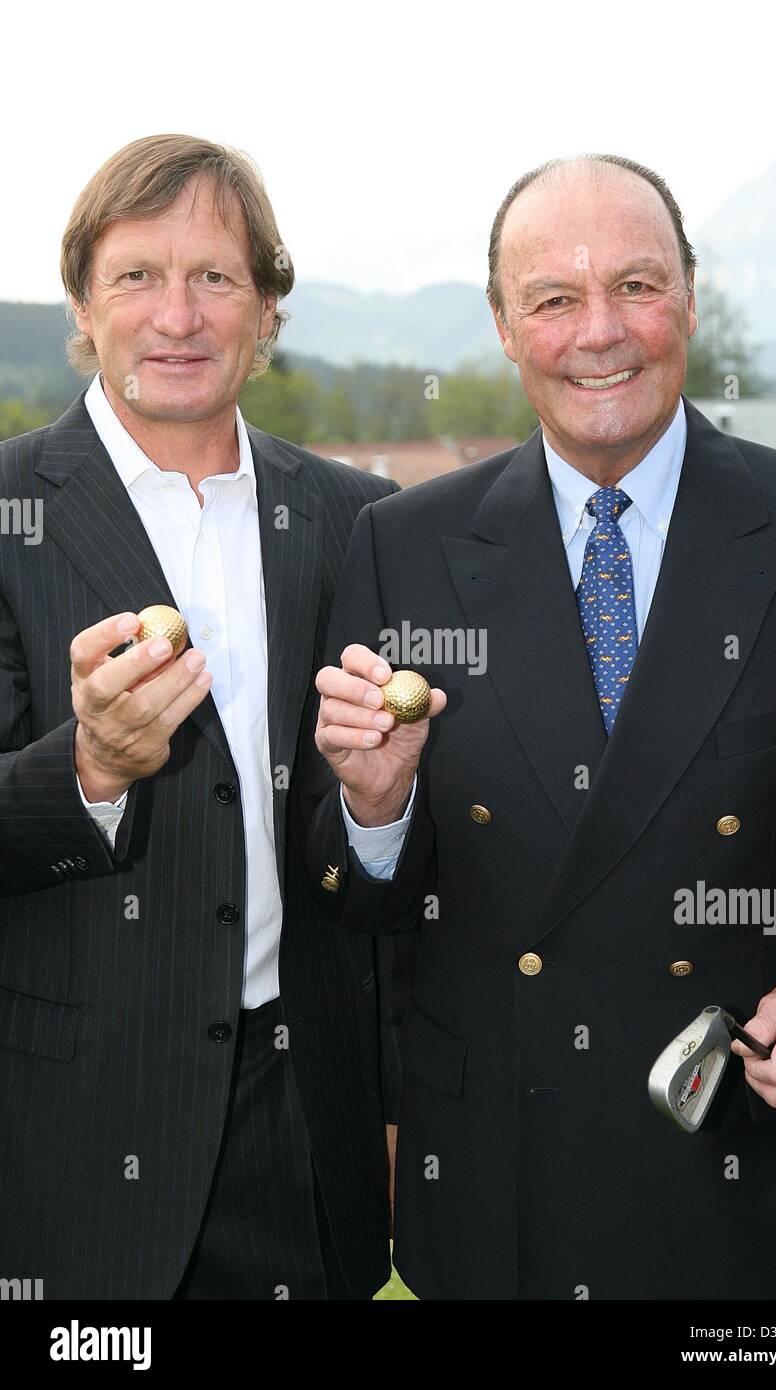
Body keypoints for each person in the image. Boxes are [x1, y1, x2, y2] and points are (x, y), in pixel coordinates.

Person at [309, 154, 776, 1300]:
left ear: (691, 301)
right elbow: (363, 905)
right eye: (553, 299)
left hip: (747, 1167)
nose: (598, 332)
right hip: (504, 1188)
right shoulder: (401, 546)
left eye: (636, 285)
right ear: (505, 329)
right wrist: (373, 807)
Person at [0, 133, 413, 1299]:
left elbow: (393, 879)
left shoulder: (359, 521)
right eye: (136, 275)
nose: (175, 314)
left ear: (267, 308)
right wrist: (88, 770)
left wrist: (383, 812)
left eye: (215, 277)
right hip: (64, 1138)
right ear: (81, 300)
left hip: (306, 1124)